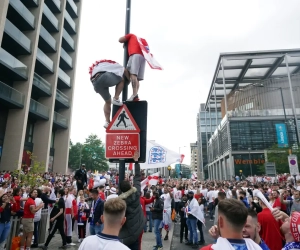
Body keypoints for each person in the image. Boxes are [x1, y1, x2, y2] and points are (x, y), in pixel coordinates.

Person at [88, 59, 129, 128]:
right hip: (103, 77)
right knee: (122, 79)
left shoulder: (98, 65)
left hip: (95, 82)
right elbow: (124, 70)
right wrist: (129, 80)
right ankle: (116, 98)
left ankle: (107, 122)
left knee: (107, 101)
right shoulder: (114, 63)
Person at [118, 151, 145, 250]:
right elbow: (137, 178)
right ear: (130, 186)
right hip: (137, 229)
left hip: (125, 235)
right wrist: (136, 162)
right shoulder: (136, 193)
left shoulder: (120, 202)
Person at [118, 34, 147, 101]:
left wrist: (126, 40)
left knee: (132, 74)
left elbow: (120, 40)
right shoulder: (141, 40)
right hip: (143, 57)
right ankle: (135, 94)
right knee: (137, 78)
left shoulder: (131, 35)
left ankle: (134, 95)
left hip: (135, 54)